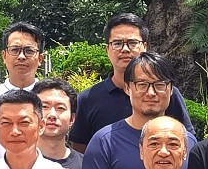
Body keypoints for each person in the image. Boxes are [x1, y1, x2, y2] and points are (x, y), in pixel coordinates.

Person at [80, 51, 187, 169]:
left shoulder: (186, 141)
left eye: (159, 84)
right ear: (127, 88)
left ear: (171, 89)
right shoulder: (105, 141)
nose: (151, 92)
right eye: (142, 84)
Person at [69, 13, 193, 150]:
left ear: (144, 47)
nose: (125, 49)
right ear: (107, 49)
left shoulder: (164, 93)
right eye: (117, 43)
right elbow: (80, 149)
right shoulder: (88, 98)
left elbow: (186, 140)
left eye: (132, 43)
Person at [0, 22, 48, 162]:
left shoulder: (51, 97)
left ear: (40, 58)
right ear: (4, 56)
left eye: (29, 51)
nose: (21, 56)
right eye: (15, 50)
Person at [33, 78, 86, 169]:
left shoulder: (87, 166)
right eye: (44, 107)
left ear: (72, 119)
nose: (52, 115)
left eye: (60, 108)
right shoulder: (16, 164)